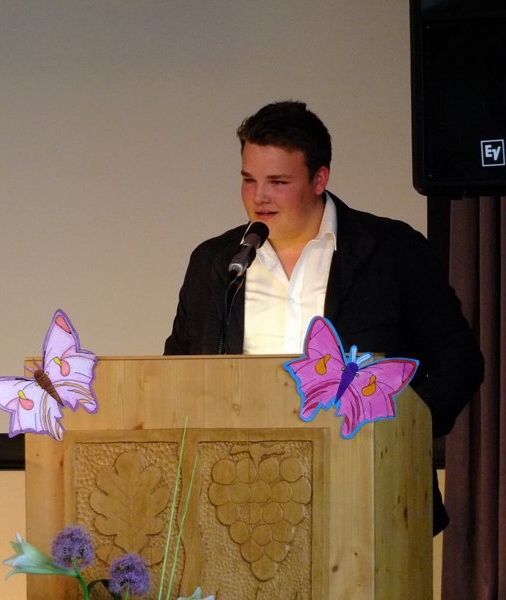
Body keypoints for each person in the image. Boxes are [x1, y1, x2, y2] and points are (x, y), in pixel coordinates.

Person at [164, 100, 483, 534]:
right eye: (249, 180)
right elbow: (179, 370)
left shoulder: (392, 250)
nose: (259, 197)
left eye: (278, 182)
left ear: (319, 179)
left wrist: (401, 431)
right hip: (236, 498)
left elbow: (458, 360)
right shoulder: (215, 262)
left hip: (364, 488)